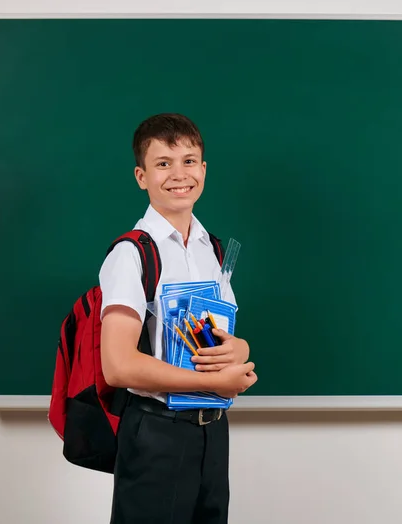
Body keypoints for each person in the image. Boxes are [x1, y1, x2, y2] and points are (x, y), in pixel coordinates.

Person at [99, 113, 257, 524]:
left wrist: (239, 351)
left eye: (189, 160)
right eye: (163, 163)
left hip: (212, 431)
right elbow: (118, 366)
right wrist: (212, 382)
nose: (179, 174)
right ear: (141, 175)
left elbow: (225, 339)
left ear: (203, 170)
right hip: (156, 433)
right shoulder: (132, 254)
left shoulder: (212, 249)